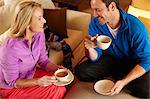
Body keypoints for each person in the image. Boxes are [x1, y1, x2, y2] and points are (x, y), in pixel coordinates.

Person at [75, 0, 150, 98]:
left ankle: (120, 77)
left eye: (97, 10)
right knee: (81, 71)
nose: (94, 15)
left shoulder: (135, 27)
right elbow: (95, 58)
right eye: (92, 9)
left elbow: (147, 60)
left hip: (132, 62)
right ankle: (118, 75)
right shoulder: (95, 23)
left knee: (147, 90)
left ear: (112, 7)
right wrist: (90, 48)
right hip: (110, 58)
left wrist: (124, 82)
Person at [0, 1, 66, 99]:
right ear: (27, 22)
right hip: (11, 86)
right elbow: (12, 81)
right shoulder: (10, 48)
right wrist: (37, 81)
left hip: (30, 74)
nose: (44, 21)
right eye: (39, 18)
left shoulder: (39, 34)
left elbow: (43, 61)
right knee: (56, 90)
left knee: (60, 83)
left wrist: (57, 69)